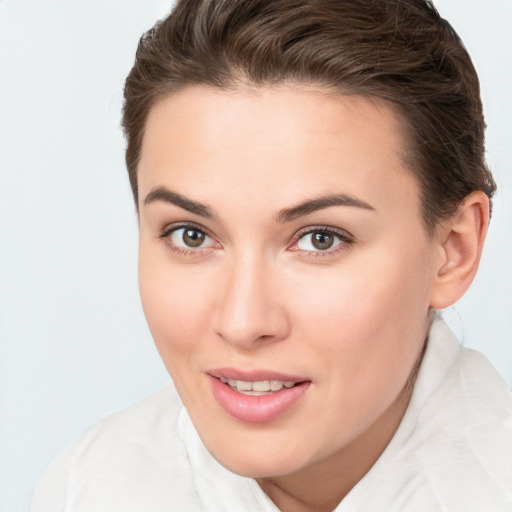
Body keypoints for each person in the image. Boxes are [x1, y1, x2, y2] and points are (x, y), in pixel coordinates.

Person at [31, 0, 512, 511]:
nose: (243, 323)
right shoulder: (86, 489)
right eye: (191, 235)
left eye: (320, 238)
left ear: (453, 250)